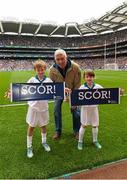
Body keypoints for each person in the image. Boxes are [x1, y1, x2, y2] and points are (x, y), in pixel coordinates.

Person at [5, 60, 52, 158]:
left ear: (45, 69)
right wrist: (12, 93)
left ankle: (44, 142)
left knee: (43, 126)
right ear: (35, 70)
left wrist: (64, 90)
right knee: (31, 127)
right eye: (38, 70)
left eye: (42, 69)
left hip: (44, 107)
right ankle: (29, 146)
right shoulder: (32, 80)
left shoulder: (49, 81)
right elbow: (23, 90)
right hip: (33, 107)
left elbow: (56, 91)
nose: (40, 71)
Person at [49, 49, 81, 140]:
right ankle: (58, 131)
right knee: (56, 109)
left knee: (76, 111)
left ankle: (77, 131)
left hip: (73, 90)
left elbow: (77, 84)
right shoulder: (52, 69)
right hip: (59, 92)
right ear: (55, 59)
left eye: (62, 58)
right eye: (57, 59)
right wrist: (61, 90)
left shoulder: (75, 67)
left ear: (66, 57)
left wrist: (74, 99)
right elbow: (52, 84)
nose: (60, 61)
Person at [78, 70, 103, 150]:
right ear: (84, 78)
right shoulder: (82, 87)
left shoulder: (98, 86)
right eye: (87, 77)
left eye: (91, 76)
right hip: (85, 109)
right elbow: (77, 98)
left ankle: (95, 141)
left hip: (94, 109)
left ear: (94, 77)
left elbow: (107, 94)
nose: (89, 78)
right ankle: (80, 141)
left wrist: (118, 92)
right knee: (83, 125)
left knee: (95, 125)